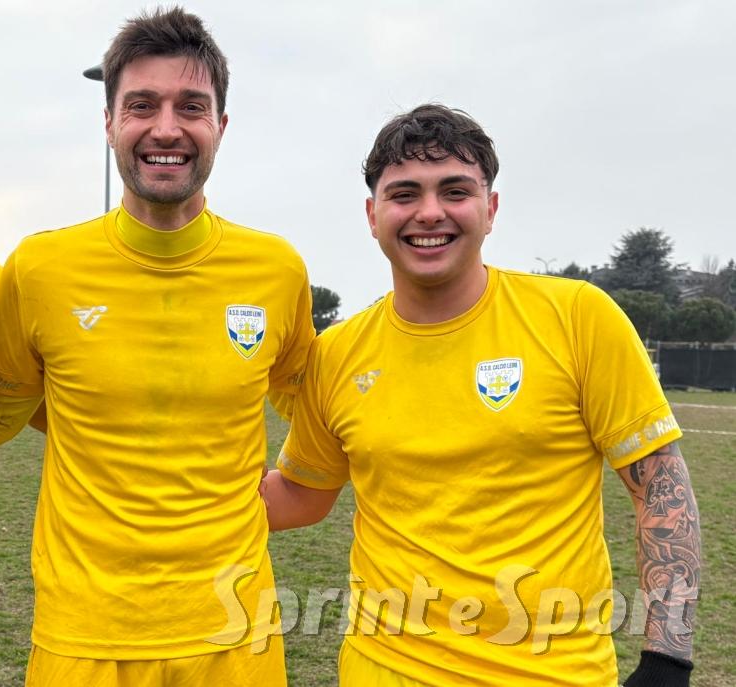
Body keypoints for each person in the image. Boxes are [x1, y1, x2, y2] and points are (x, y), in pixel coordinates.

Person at [262, 104, 701, 686]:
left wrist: (668, 660)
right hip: (382, 671)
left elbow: (662, 488)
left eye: (455, 190)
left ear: (490, 208)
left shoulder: (577, 318)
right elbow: (300, 496)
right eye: (404, 194)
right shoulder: (337, 354)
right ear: (373, 214)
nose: (429, 212)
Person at [0, 7, 314, 686]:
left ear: (220, 124)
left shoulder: (276, 270)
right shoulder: (40, 269)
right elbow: (11, 407)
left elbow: (316, 404)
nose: (166, 128)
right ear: (109, 122)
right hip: (82, 640)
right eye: (141, 106)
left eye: (191, 106)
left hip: (235, 637)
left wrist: (288, 493)